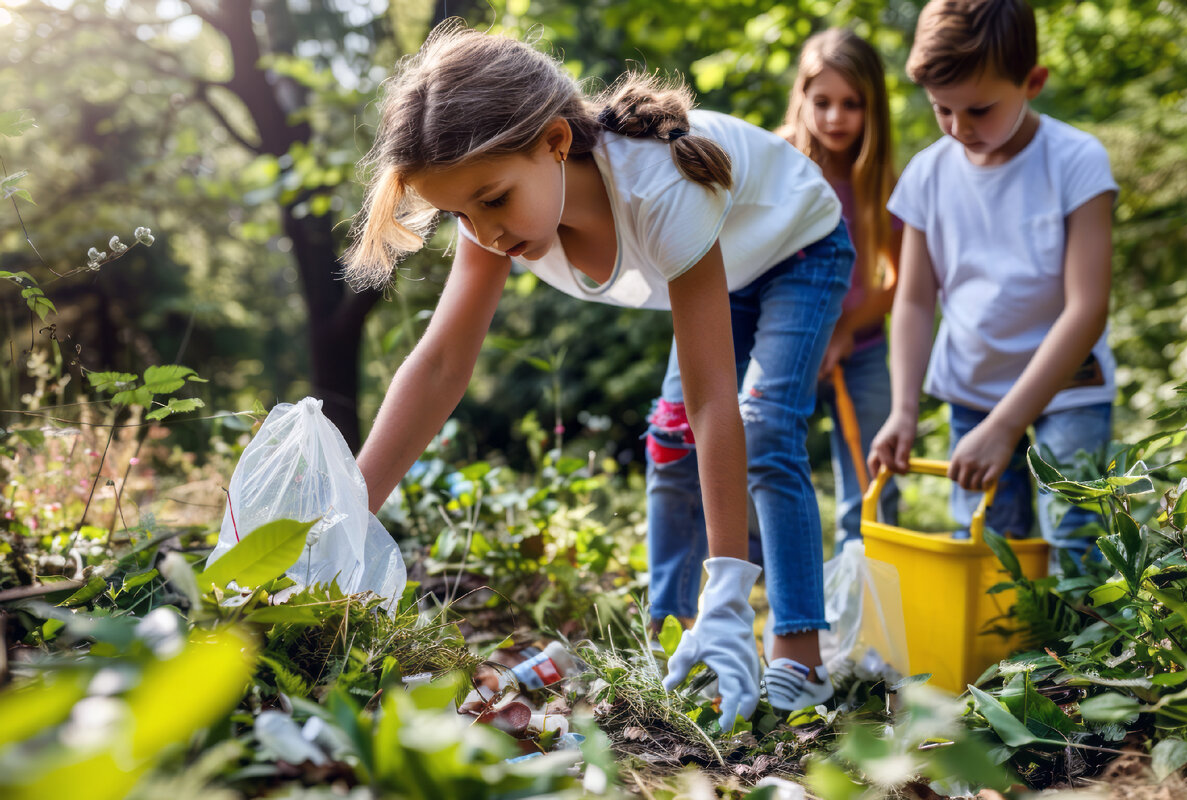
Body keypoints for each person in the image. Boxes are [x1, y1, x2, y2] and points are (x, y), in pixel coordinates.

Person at [343, 22, 852, 727]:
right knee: (668, 440)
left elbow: (713, 401)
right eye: (459, 213)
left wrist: (732, 591)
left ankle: (798, 654)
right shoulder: (492, 211)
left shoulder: (659, 187)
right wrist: (348, 517)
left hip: (797, 246)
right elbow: (440, 365)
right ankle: (671, 637)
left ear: (555, 142)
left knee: (763, 426)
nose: (484, 233)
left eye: (492, 200)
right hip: (715, 260)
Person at [867, 0, 1118, 570]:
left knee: (1077, 544)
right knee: (985, 553)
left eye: (979, 110)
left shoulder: (1076, 161)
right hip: (972, 393)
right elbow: (914, 301)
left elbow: (1088, 309)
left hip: (1069, 390)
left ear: (1033, 82)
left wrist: (1006, 427)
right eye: (942, 110)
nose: (959, 129)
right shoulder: (927, 175)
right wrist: (903, 410)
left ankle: (1085, 638)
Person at [776, 28, 901, 552]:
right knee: (770, 464)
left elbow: (901, 281)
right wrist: (810, 332)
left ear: (873, 108)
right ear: (801, 97)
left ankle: (870, 577)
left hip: (862, 349)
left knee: (873, 478)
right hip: (786, 347)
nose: (835, 118)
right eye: (822, 102)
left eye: (852, 104)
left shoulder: (881, 180)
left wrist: (846, 328)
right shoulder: (776, 162)